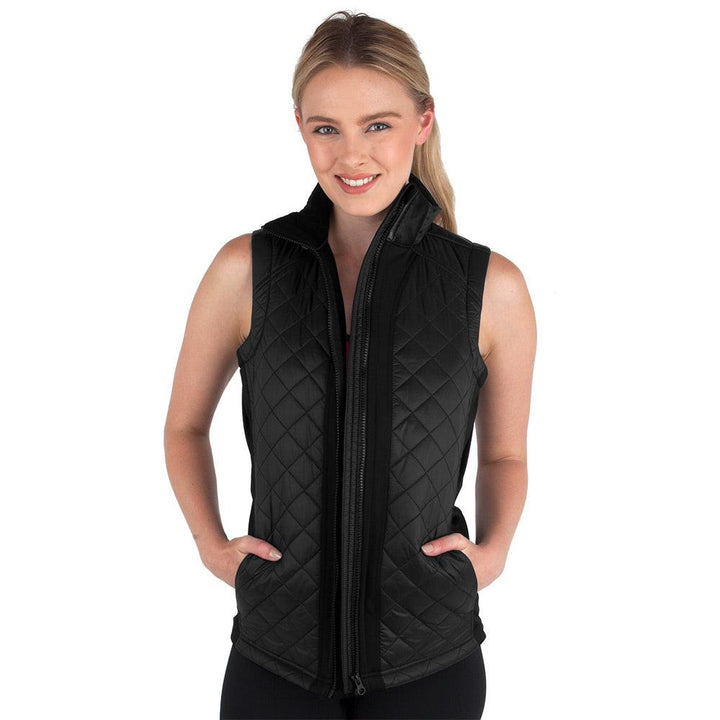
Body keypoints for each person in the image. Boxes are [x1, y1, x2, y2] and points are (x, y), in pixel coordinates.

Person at [164, 10, 535, 720]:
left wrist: (493, 553)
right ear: (300, 127)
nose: (351, 155)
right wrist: (211, 546)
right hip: (276, 656)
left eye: (378, 125)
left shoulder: (491, 288)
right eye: (326, 128)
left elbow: (505, 455)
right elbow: (184, 428)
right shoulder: (247, 270)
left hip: (429, 657)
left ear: (423, 122)